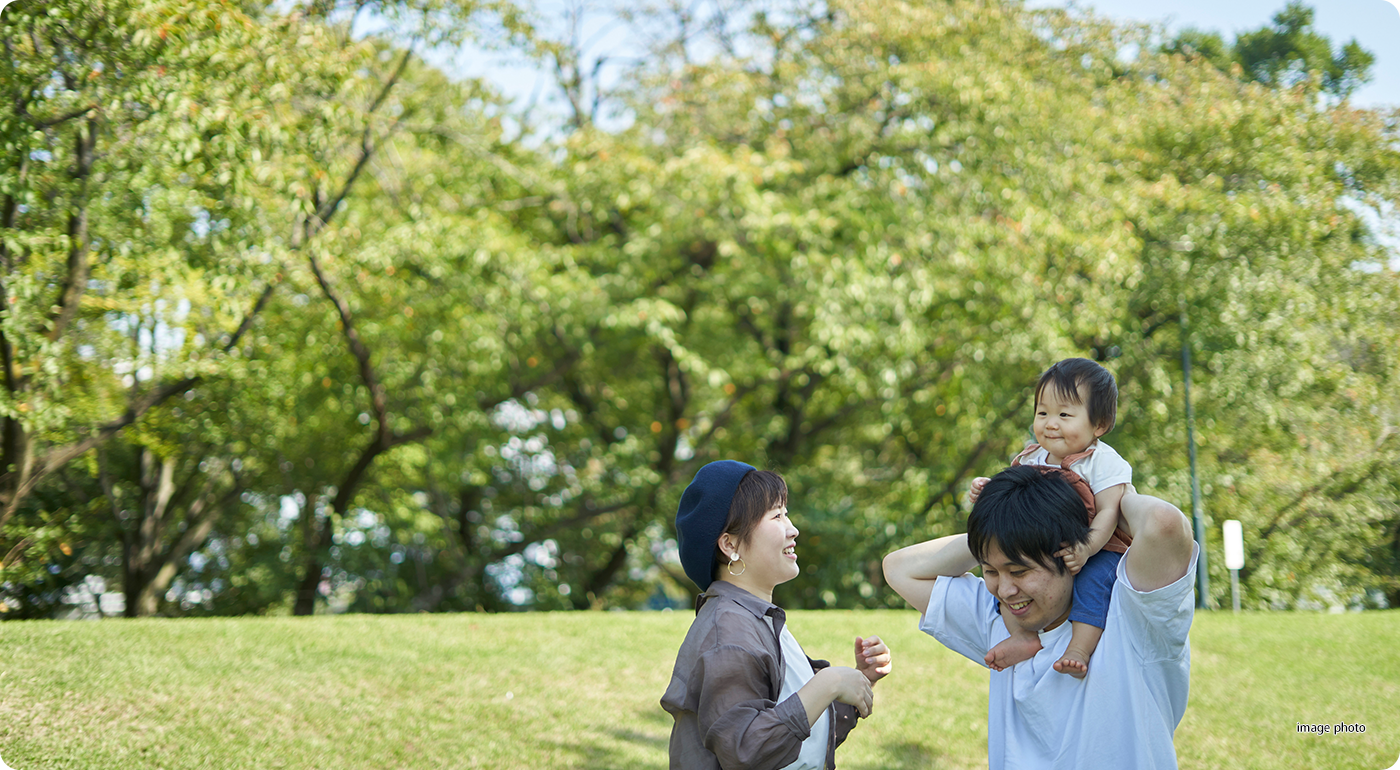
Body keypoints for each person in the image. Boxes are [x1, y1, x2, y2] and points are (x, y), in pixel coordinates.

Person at [883, 466, 1198, 769]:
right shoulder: (1003, 622)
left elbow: (1163, 523)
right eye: (990, 571)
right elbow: (899, 568)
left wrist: (1108, 506)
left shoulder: (1133, 619)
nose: (1004, 590)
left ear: (1069, 553)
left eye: (1019, 571)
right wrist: (997, 526)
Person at [662, 460, 893, 770]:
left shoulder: (755, 619)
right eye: (777, 515)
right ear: (730, 545)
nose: (793, 529)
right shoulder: (728, 632)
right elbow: (746, 751)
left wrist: (858, 682)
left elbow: (795, 739)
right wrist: (827, 682)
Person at [969, 357, 1133, 677]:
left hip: (1099, 546)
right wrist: (988, 490)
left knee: (1094, 582)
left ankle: (1079, 647)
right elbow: (1014, 497)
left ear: (1098, 424)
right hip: (1044, 545)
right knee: (1009, 580)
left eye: (1064, 415)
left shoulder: (1103, 462)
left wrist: (1086, 548)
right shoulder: (1032, 456)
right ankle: (1023, 637)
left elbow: (1109, 512)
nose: (1050, 423)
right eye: (1042, 413)